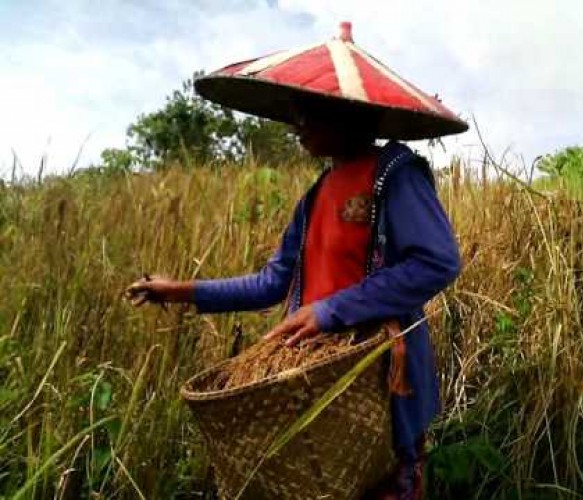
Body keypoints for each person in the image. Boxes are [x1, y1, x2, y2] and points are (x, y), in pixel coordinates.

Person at [126, 99, 461, 499]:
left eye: (308, 114)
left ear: (346, 112)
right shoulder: (317, 194)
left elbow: (436, 261)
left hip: (375, 379)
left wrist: (330, 310)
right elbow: (271, 283)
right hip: (318, 381)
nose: (296, 126)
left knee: (387, 483)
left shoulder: (395, 175)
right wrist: (179, 290)